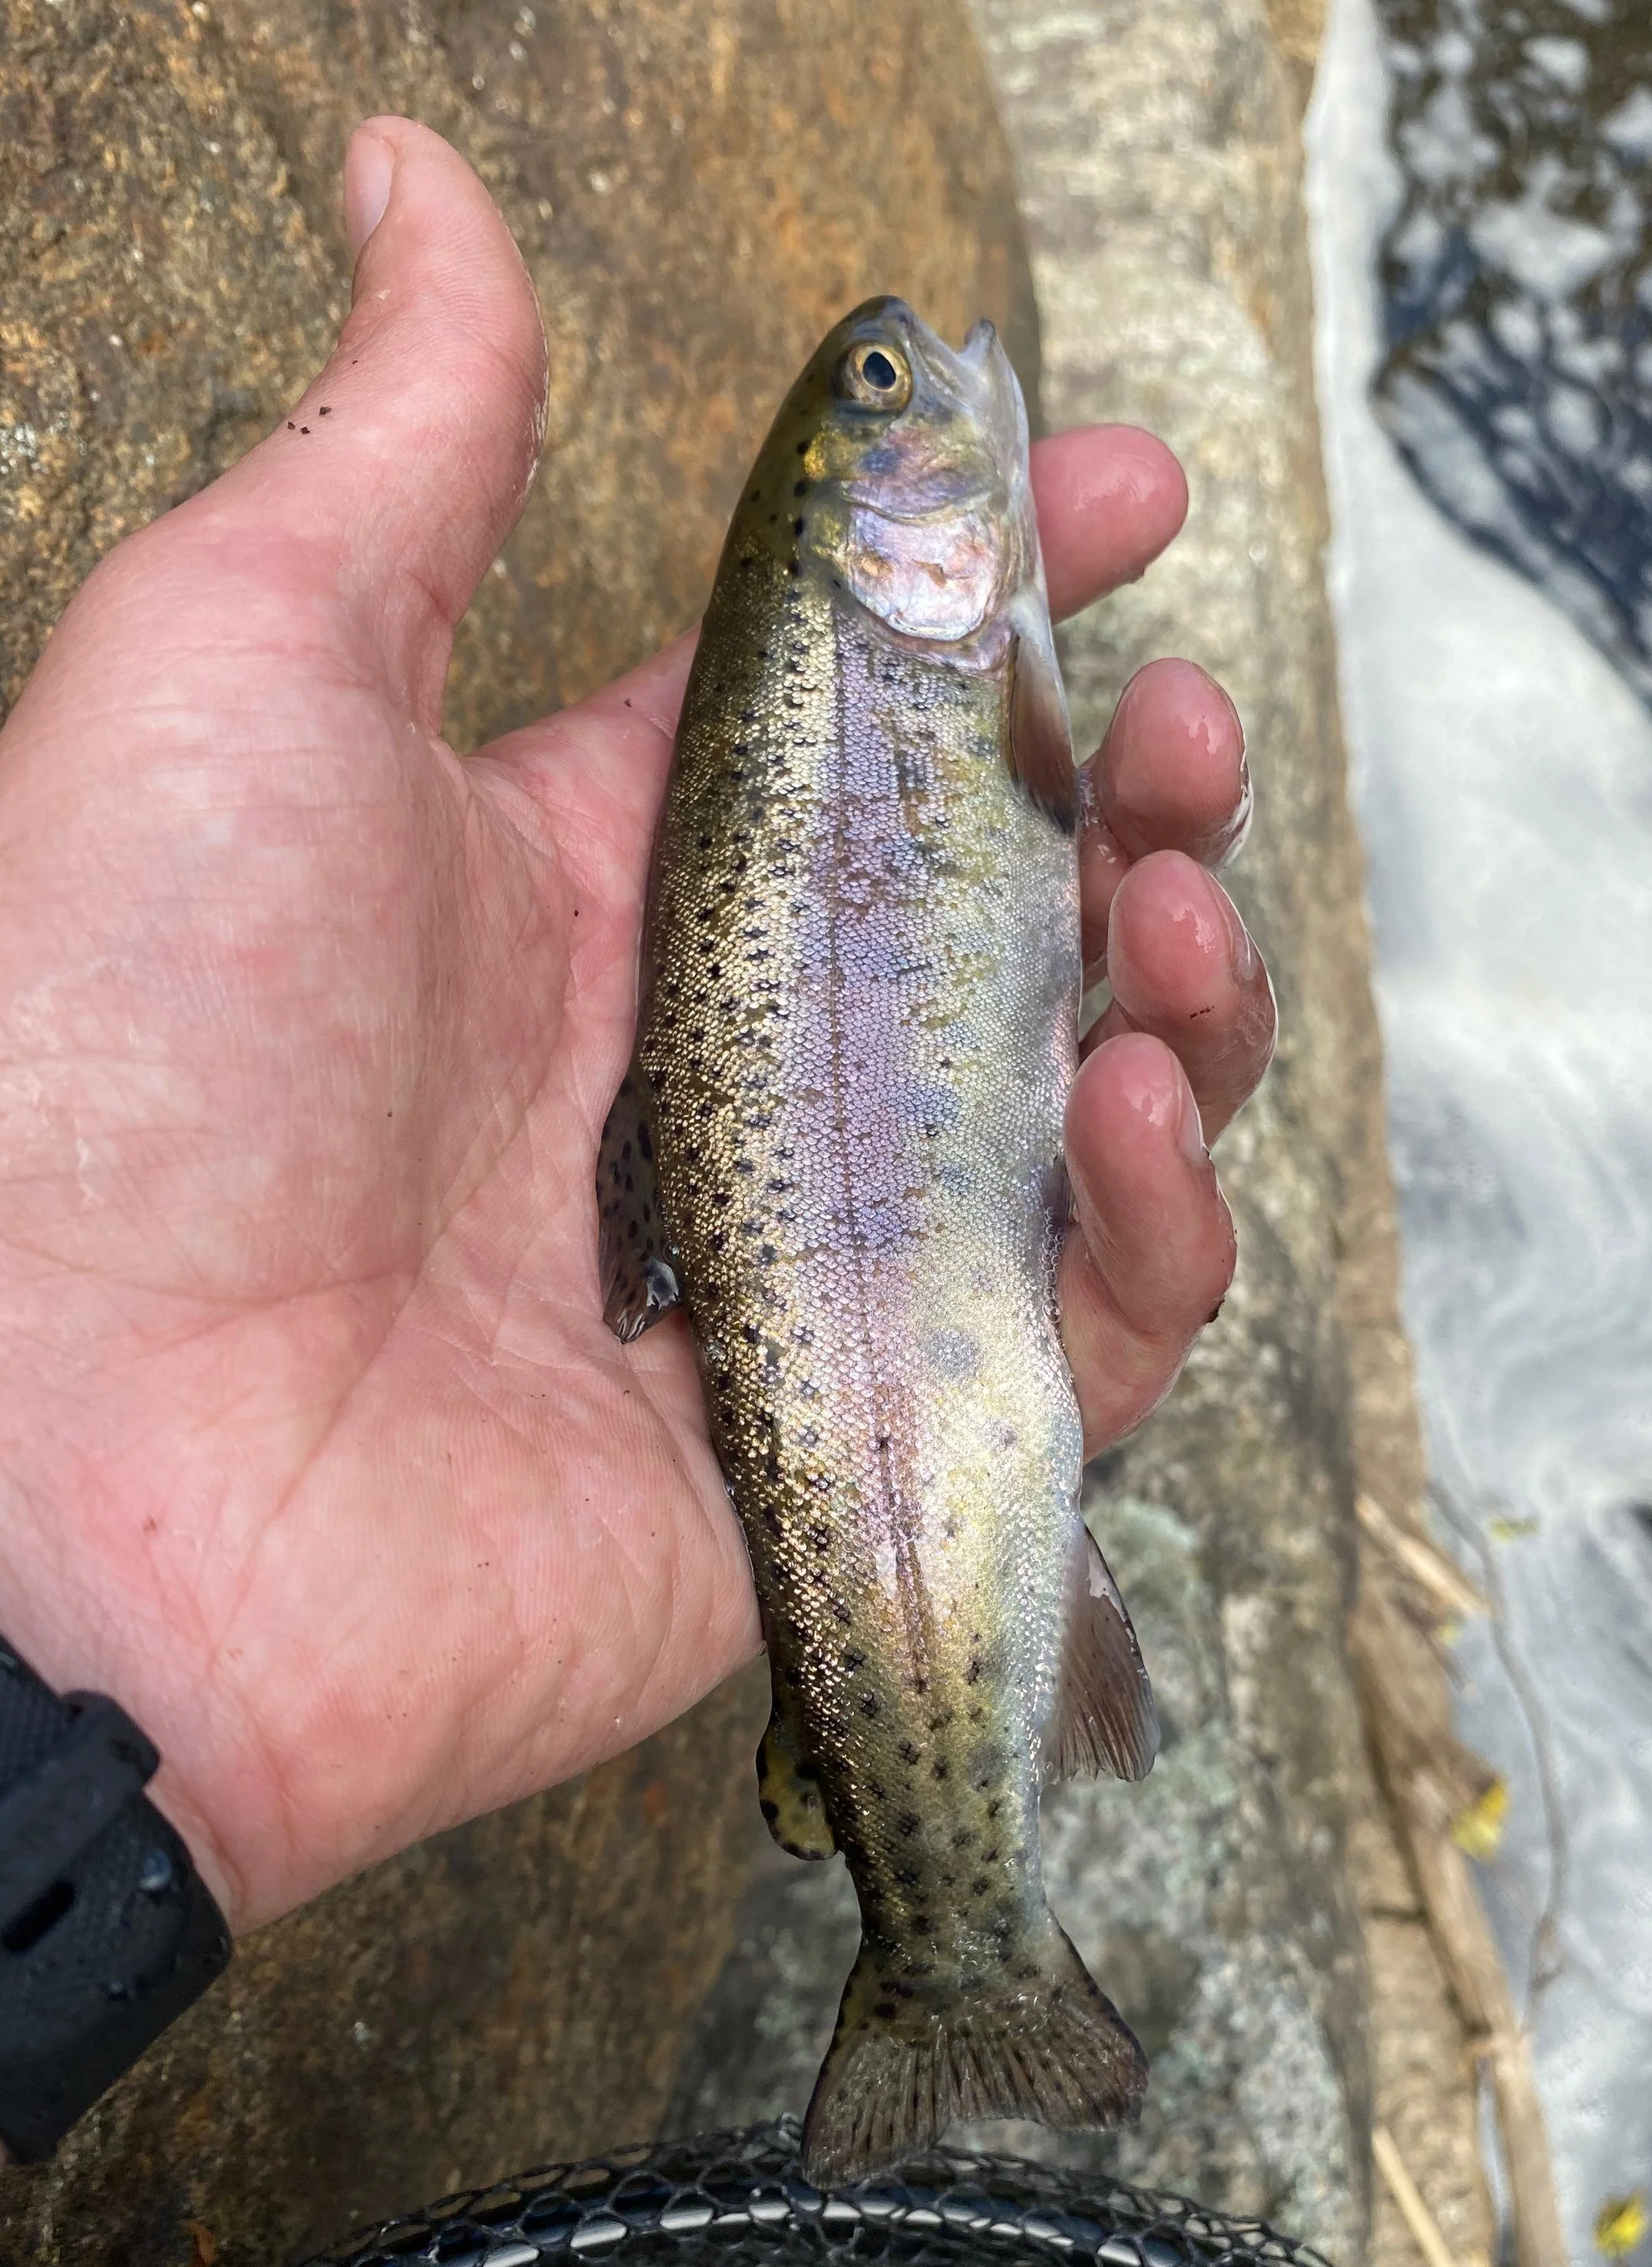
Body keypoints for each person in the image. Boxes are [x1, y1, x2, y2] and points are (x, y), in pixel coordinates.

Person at [0, 120, 1274, 2123]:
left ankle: (948, 1922)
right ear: (860, 541)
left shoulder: (932, 661)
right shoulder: (956, 682)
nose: (907, 370)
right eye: (881, 396)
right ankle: (953, 1947)